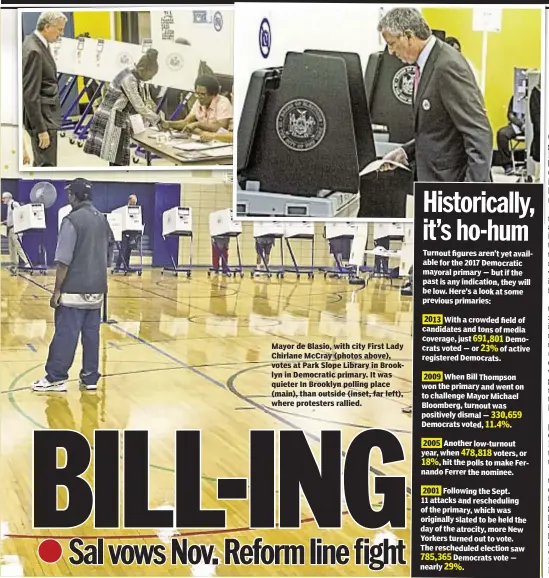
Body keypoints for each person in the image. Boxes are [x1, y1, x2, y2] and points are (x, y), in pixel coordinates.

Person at [378, 8, 493, 182]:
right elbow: (437, 128)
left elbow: (479, 133)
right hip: (434, 179)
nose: (390, 52)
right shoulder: (428, 63)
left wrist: (471, 194)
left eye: (392, 43)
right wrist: (405, 152)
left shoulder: (447, 66)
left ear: (408, 36)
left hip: (452, 184)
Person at [32, 178, 114, 393]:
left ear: (74, 196)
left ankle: (56, 378)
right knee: (91, 336)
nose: (68, 197)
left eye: (69, 194)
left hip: (74, 289)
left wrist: (57, 290)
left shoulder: (72, 220)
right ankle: (90, 378)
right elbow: (110, 251)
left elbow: (64, 260)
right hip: (97, 290)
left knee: (65, 335)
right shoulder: (102, 220)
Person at [84, 49, 161, 166]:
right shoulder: (128, 79)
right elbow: (139, 106)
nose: (151, 79)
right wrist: (158, 120)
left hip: (119, 116)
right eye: (151, 76)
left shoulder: (132, 72)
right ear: (142, 69)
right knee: (117, 160)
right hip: (111, 117)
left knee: (118, 157)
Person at [21, 11, 67, 167]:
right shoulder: (35, 51)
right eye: (59, 30)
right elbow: (29, 95)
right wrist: (41, 130)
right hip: (43, 120)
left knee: (44, 165)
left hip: (46, 116)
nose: (61, 34)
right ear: (47, 27)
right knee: (46, 167)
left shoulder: (36, 43)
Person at [162, 75, 232, 135]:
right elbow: (186, 122)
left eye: (202, 94)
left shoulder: (223, 102)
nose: (198, 97)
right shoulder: (199, 101)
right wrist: (168, 123)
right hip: (203, 138)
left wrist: (197, 124)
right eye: (197, 93)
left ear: (213, 94)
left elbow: (220, 127)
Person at [1, 192, 30, 275]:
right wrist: (5, 222)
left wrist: (19, 225)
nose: (3, 200)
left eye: (3, 198)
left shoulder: (14, 204)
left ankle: (26, 263)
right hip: (10, 229)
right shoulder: (9, 206)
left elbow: (21, 213)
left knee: (18, 246)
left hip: (15, 228)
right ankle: (14, 265)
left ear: (8, 198)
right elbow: (11, 218)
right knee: (12, 248)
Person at [497, 96, 525, 176]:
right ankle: (507, 166)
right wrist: (520, 124)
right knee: (502, 133)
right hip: (517, 126)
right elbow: (510, 114)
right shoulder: (516, 97)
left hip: (533, 126)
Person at [115, 194, 140, 272]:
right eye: (132, 202)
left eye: (135, 202)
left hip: (132, 232)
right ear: (129, 201)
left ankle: (127, 266)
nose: (134, 204)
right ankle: (117, 266)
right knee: (123, 250)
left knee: (129, 250)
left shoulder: (136, 210)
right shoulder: (124, 210)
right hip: (123, 232)